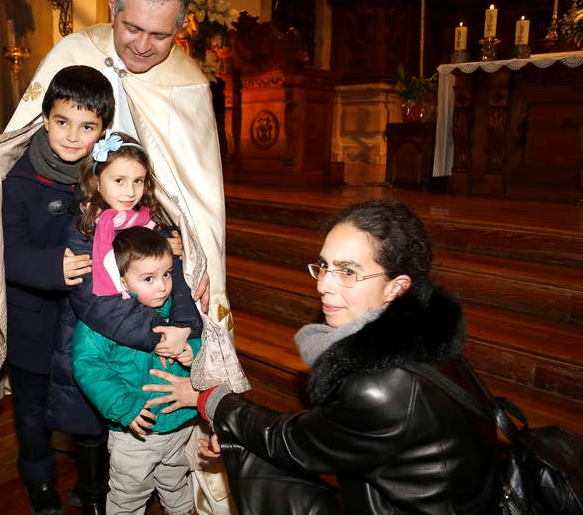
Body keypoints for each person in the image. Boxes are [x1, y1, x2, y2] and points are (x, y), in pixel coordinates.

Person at [0, 0, 247, 515]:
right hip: (49, 303)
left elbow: (187, 190)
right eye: (130, 26)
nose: (140, 44)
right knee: (44, 401)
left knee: (102, 395)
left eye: (159, 34)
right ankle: (55, 484)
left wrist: (187, 247)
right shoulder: (73, 57)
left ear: (181, 27)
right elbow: (22, 152)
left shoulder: (187, 84)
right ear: (112, 8)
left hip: (130, 285)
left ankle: (112, 484)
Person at [153, 200, 502, 514]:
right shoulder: (425, 336)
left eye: (348, 271)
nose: (323, 285)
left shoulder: (383, 386)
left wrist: (208, 398)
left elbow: (290, 440)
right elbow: (326, 431)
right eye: (323, 265)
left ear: (396, 287)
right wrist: (235, 435)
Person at [72, 226, 202, 515]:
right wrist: (123, 405)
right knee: (128, 494)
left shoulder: (178, 310)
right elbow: (88, 365)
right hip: (134, 434)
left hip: (179, 425)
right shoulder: (104, 323)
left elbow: (201, 339)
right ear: (122, 280)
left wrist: (193, 351)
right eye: (148, 278)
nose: (162, 286)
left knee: (177, 484)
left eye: (167, 274)